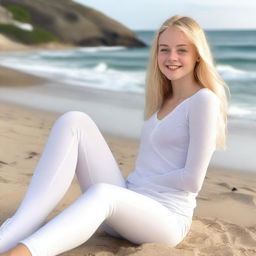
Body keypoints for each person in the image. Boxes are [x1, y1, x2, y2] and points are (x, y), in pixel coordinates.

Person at [0, 15, 229, 256]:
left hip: (166, 219)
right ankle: (22, 224)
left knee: (104, 193)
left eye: (182, 50)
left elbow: (192, 181)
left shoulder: (204, 100)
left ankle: (22, 253)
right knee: (74, 120)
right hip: (128, 205)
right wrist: (132, 190)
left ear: (197, 55)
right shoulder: (163, 98)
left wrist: (136, 188)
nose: (171, 57)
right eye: (164, 50)